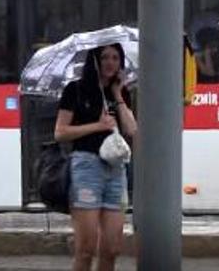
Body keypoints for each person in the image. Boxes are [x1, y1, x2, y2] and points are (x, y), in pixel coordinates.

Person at [53, 44, 138, 271]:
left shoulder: (120, 91)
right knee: (86, 248)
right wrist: (97, 125)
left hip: (115, 169)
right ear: (94, 61)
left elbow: (131, 130)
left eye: (115, 58)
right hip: (86, 166)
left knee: (112, 248)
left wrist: (119, 95)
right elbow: (60, 132)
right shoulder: (76, 90)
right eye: (105, 57)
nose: (110, 62)